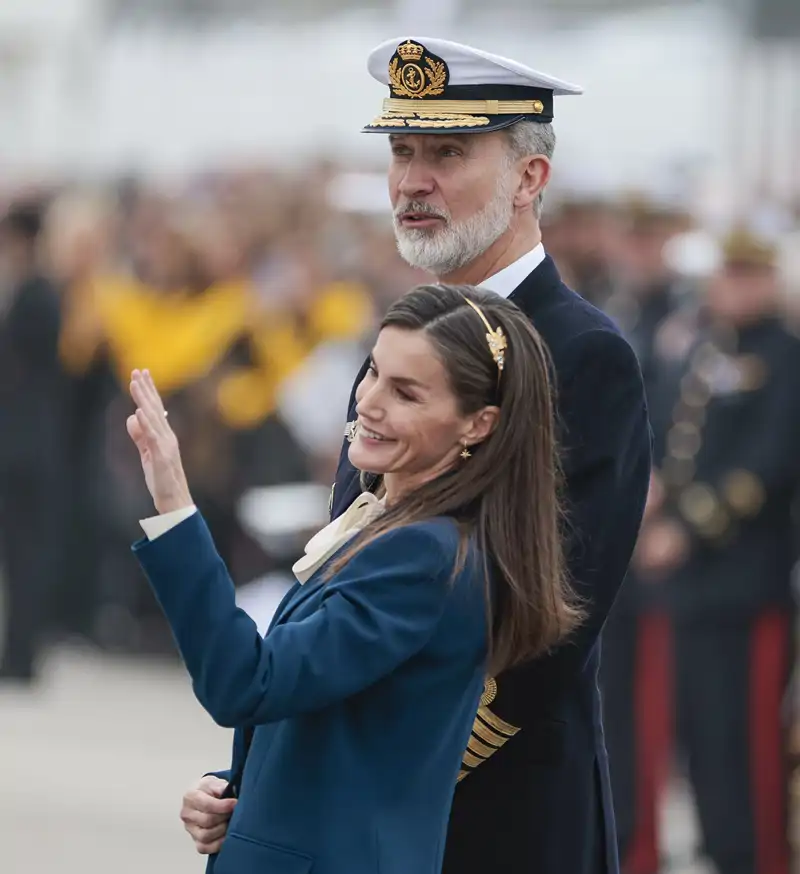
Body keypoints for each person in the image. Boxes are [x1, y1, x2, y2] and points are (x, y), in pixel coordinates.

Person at [183, 37, 651, 874]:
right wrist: (260, 777)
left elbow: (547, 631)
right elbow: (336, 596)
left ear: (529, 179)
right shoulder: (415, 335)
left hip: (490, 816)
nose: (412, 181)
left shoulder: (581, 353)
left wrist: (361, 773)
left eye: (447, 153)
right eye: (402, 151)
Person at [129, 284, 582, 874]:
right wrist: (236, 788)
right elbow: (345, 724)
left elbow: (247, 682)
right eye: (372, 372)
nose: (369, 402)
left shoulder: (423, 552)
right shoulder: (399, 528)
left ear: (477, 424)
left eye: (406, 393)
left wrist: (175, 511)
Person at [638, 226, 800, 874]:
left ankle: (758, 860)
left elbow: (768, 464)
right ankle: (719, 850)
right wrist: (649, 499)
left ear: (767, 281)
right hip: (689, 586)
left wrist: (691, 526)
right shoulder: (702, 346)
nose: (730, 286)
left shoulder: (785, 355)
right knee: (700, 741)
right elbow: (673, 439)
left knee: (749, 745)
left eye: (744, 275)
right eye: (724, 274)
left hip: (748, 582)